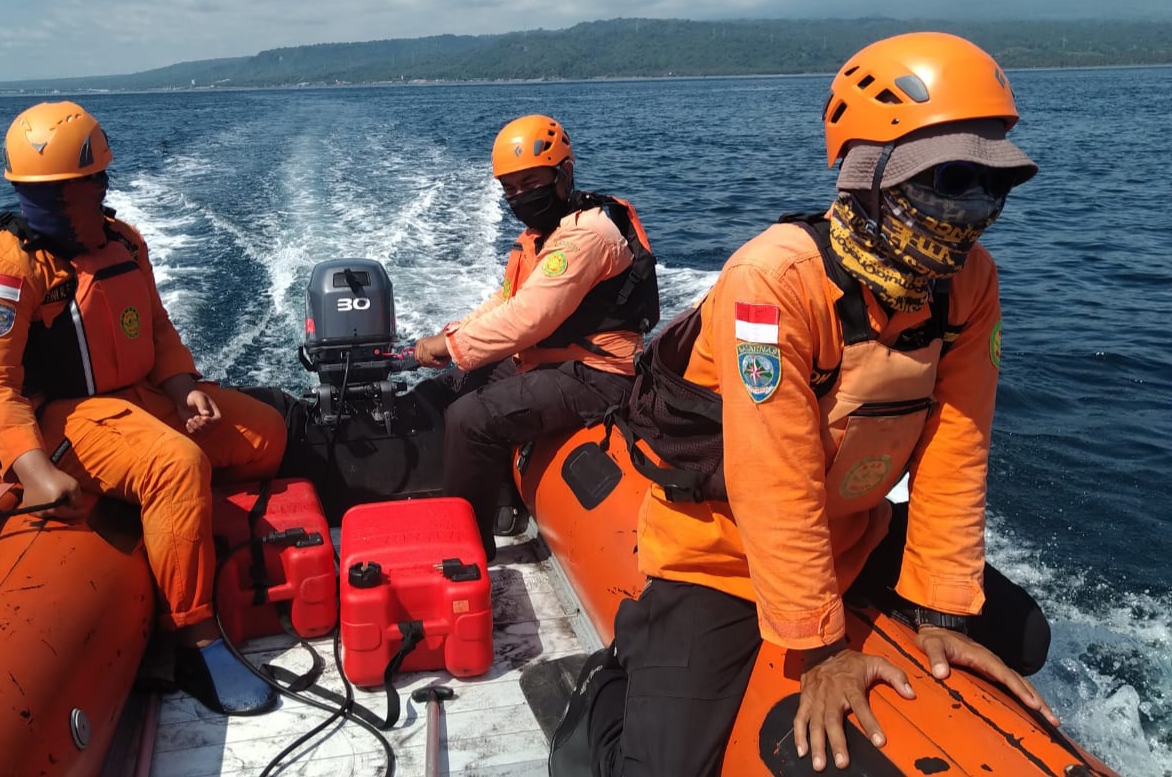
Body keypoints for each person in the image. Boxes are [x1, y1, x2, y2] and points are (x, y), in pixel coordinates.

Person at [550, 32, 1059, 776]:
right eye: (948, 182)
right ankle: (606, 687)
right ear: (868, 176)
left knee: (1026, 635)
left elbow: (958, 441)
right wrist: (819, 647)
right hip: (721, 552)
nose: (972, 214)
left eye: (993, 187)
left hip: (853, 524)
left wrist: (944, 610)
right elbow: (771, 472)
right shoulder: (774, 281)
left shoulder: (968, 284)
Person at [0, 101, 287, 715]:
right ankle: (193, 636)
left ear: (99, 182)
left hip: (143, 398)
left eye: (70, 188)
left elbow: (156, 328)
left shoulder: (125, 243)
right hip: (66, 417)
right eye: (40, 192)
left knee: (265, 434)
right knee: (177, 466)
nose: (58, 203)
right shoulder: (5, 268)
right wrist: (33, 470)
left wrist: (185, 384)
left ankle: (169, 529)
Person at [413, 114, 659, 561]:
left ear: (563, 174)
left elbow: (529, 317)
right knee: (452, 389)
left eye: (531, 182)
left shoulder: (586, 237)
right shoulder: (545, 236)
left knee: (470, 418)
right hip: (554, 358)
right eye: (510, 188)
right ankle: (502, 503)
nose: (521, 197)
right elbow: (506, 300)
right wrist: (450, 338)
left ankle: (465, 553)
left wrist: (450, 346)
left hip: (598, 373)